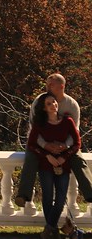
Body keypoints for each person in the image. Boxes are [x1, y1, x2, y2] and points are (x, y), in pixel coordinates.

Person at [15, 74, 92, 208]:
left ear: (61, 86)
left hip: (65, 145)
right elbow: (33, 127)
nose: (47, 87)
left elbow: (76, 131)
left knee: (78, 160)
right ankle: (23, 195)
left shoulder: (72, 105)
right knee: (31, 158)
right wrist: (46, 146)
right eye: (47, 84)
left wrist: (65, 145)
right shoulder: (40, 101)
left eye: (51, 84)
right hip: (41, 142)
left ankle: (90, 193)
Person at [27, 91, 80, 239]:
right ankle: (54, 233)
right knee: (48, 198)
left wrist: (65, 156)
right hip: (46, 166)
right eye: (49, 104)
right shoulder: (40, 125)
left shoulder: (67, 122)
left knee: (60, 199)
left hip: (63, 165)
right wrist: (46, 156)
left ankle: (48, 231)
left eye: (54, 102)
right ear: (44, 108)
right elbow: (31, 145)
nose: (53, 105)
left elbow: (77, 143)